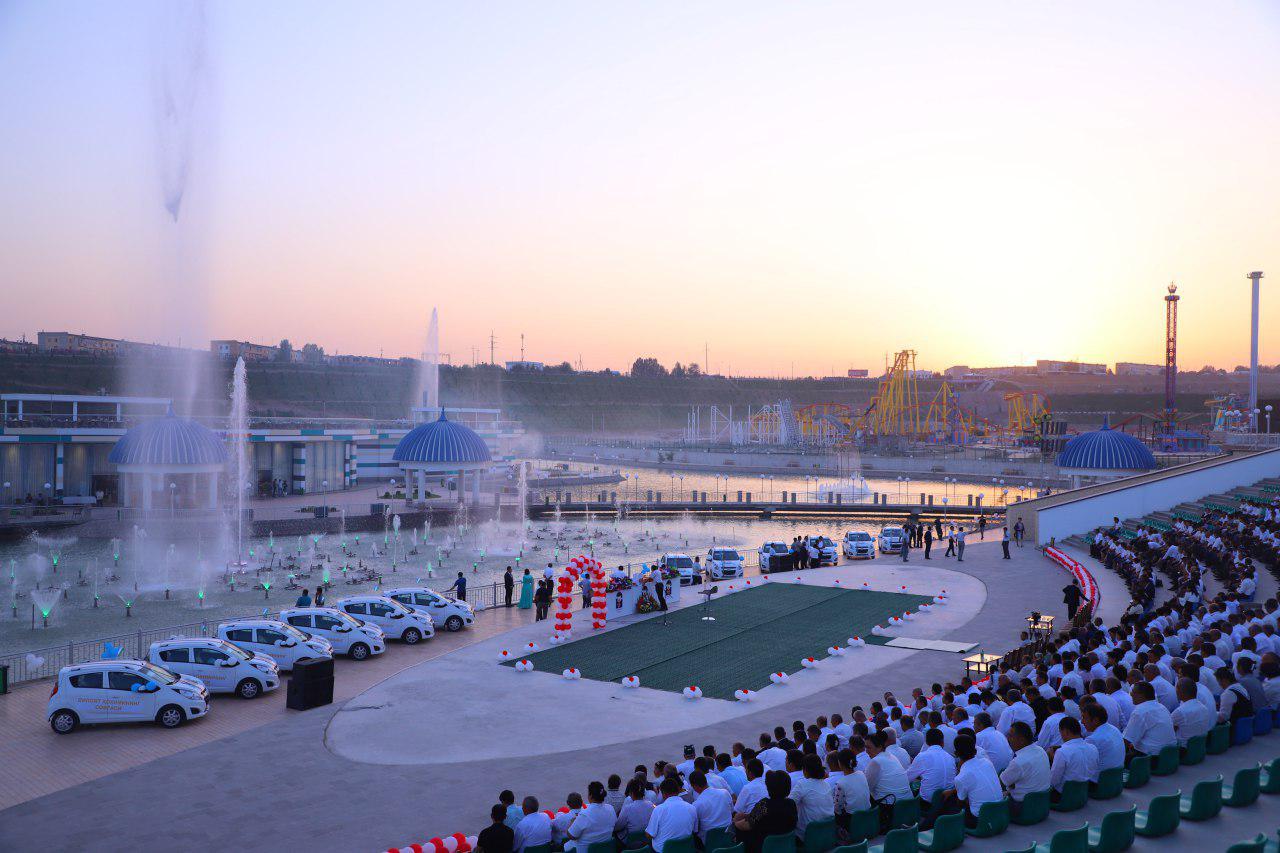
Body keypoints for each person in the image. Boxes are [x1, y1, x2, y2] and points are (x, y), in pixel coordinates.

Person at [733, 771, 797, 853]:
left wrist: (735, 823)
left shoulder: (764, 805)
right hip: (785, 847)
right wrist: (747, 816)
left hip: (763, 847)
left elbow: (746, 825)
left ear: (769, 788)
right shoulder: (791, 804)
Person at [949, 735, 1003, 829]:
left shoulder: (961, 777)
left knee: (949, 804)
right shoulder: (987, 762)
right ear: (975, 750)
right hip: (1001, 813)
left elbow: (960, 804)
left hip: (981, 820)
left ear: (956, 753)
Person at [998, 722, 1051, 819]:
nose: (1007, 739)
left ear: (1021, 740)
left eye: (1010, 736)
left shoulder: (1019, 762)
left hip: (1023, 809)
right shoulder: (1041, 750)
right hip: (1041, 806)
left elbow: (999, 784)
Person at [1123, 682, 1177, 757]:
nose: (1131, 694)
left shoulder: (1140, 711)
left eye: (1133, 692)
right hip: (1169, 755)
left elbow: (1127, 740)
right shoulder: (1162, 707)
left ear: (1141, 695)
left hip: (1151, 758)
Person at [1048, 717, 1098, 797]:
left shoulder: (1062, 752)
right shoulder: (1093, 748)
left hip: (1064, 796)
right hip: (1084, 793)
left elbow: (1053, 781)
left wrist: (1053, 760)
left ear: (1065, 732)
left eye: (1060, 732)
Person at [646, 776, 697, 853]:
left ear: (663, 794)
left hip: (663, 850)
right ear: (678, 791)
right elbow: (695, 830)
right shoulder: (692, 808)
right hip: (686, 849)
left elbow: (650, 835)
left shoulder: (659, 809)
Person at [790, 754, 834, 837]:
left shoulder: (802, 784)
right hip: (827, 834)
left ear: (805, 770)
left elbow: (789, 804)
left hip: (807, 836)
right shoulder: (827, 784)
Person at [565, 781, 617, 851]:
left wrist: (572, 822)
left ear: (591, 796)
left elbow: (571, 835)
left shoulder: (584, 814)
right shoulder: (611, 809)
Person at [689, 771, 733, 840]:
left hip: (709, 842)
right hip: (729, 837)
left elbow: (695, 829)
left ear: (695, 786)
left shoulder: (696, 804)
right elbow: (731, 811)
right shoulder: (724, 793)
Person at [615, 777, 656, 843]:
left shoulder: (627, 808)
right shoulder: (651, 805)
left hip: (631, 844)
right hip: (647, 841)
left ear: (631, 793)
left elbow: (618, 826)